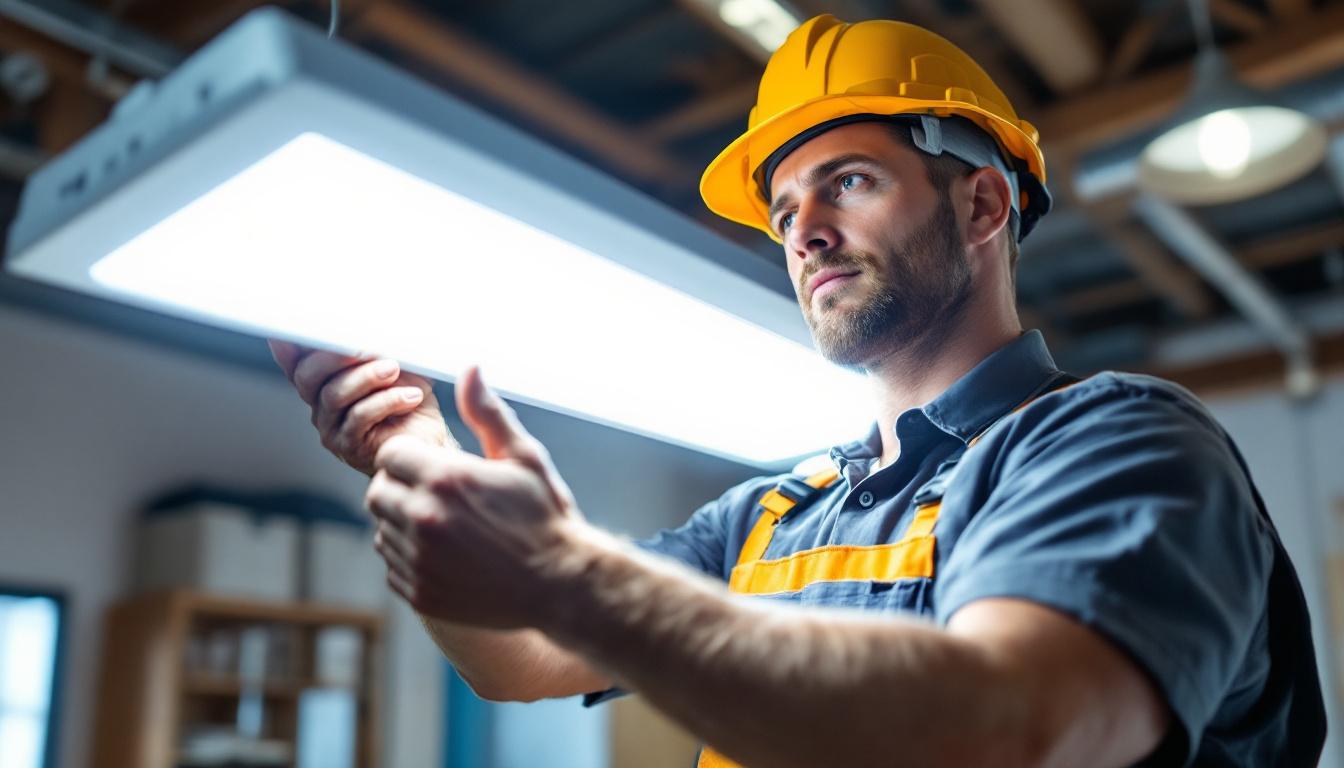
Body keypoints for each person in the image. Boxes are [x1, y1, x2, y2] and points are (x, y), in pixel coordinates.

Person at [268, 15, 1325, 768]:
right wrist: (409, 443)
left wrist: (568, 577)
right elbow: (521, 657)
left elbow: (1007, 730)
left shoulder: (1115, 444)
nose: (804, 231)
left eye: (849, 181)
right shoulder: (777, 512)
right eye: (782, 211)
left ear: (985, 205)